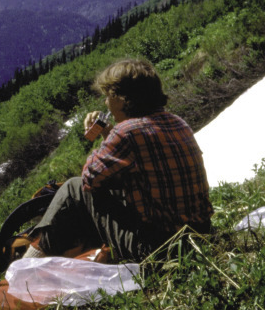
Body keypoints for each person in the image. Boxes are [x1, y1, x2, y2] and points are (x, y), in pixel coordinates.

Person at [26, 58, 212, 261]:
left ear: (123, 99)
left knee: (73, 189)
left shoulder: (126, 132)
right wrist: (108, 134)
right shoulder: (177, 122)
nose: (106, 102)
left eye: (108, 96)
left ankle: (28, 262)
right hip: (199, 235)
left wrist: (105, 137)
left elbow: (90, 180)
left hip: (158, 248)